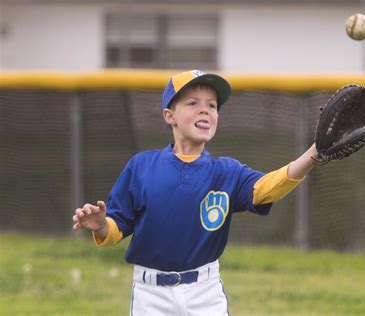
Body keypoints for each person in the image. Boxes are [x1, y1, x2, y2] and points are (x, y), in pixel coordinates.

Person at [72, 69, 319, 315]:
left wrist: (313, 153)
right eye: (193, 103)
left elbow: (269, 188)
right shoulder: (142, 167)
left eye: (212, 106)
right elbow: (118, 227)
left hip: (205, 291)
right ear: (170, 116)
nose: (205, 110)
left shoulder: (226, 171)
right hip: (150, 293)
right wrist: (102, 224)